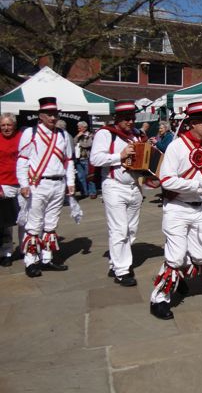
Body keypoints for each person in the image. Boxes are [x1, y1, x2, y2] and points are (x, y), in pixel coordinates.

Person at [149, 101, 202, 320]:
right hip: (178, 208)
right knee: (175, 257)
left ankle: (178, 277)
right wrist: (198, 185)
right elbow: (166, 180)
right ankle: (159, 299)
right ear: (191, 123)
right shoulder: (177, 146)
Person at [17, 97, 75, 277]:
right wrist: (23, 184)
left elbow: (68, 161)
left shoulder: (63, 135)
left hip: (58, 184)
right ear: (40, 115)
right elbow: (22, 160)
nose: (52, 118)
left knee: (51, 223)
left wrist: (71, 182)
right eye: (49, 114)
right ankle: (31, 261)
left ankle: (47, 259)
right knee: (34, 224)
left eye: (55, 114)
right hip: (38, 184)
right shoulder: (31, 133)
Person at [90, 100, 144, 287]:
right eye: (126, 118)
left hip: (135, 186)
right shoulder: (105, 133)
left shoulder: (138, 135)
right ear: (117, 118)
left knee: (131, 230)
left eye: (132, 118)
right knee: (119, 229)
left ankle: (116, 262)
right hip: (114, 186)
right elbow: (95, 158)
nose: (130, 122)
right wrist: (119, 156)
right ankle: (122, 271)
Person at [0, 113, 21, 266]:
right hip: (4, 184)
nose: (6, 128)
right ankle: (6, 252)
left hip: (22, 184)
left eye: (9, 125)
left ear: (14, 125)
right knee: (6, 223)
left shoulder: (22, 137)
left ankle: (26, 249)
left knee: (24, 220)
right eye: (3, 125)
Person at [74, 121, 97, 199]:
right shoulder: (78, 135)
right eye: (78, 127)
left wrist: (79, 143)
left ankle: (92, 192)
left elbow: (88, 145)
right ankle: (84, 192)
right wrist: (77, 137)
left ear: (84, 127)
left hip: (87, 158)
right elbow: (72, 143)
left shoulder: (91, 135)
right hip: (79, 159)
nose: (78, 129)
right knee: (81, 177)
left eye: (79, 127)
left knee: (89, 176)